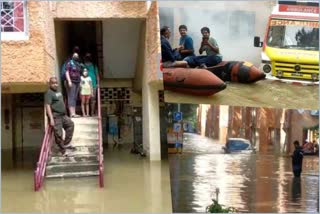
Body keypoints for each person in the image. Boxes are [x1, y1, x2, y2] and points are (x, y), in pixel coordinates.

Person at [45, 77, 75, 156]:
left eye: (56, 83)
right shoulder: (49, 93)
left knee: (70, 125)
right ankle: (63, 151)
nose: (55, 84)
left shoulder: (58, 91)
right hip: (56, 116)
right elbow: (47, 106)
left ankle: (65, 144)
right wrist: (51, 119)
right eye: (53, 83)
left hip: (63, 115)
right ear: (50, 84)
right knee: (58, 134)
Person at [65, 52, 82, 117]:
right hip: (71, 81)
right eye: (75, 55)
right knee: (71, 97)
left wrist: (80, 82)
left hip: (77, 82)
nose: (76, 56)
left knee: (74, 97)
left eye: (77, 56)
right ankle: (71, 113)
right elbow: (67, 72)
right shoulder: (69, 63)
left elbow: (79, 73)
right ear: (72, 56)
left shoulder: (78, 64)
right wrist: (69, 81)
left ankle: (74, 113)